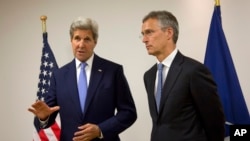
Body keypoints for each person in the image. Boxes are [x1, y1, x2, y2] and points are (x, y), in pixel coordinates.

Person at [28, 17, 137, 141]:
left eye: (87, 39)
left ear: (95, 42)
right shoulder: (59, 76)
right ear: (71, 41)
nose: (81, 44)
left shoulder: (113, 71)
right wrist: (44, 117)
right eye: (77, 38)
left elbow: (129, 113)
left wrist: (100, 129)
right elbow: (49, 114)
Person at [141, 10, 225, 141]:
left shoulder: (194, 71)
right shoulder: (149, 76)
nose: (144, 40)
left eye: (149, 32)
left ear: (169, 33)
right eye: (142, 34)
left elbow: (214, 121)